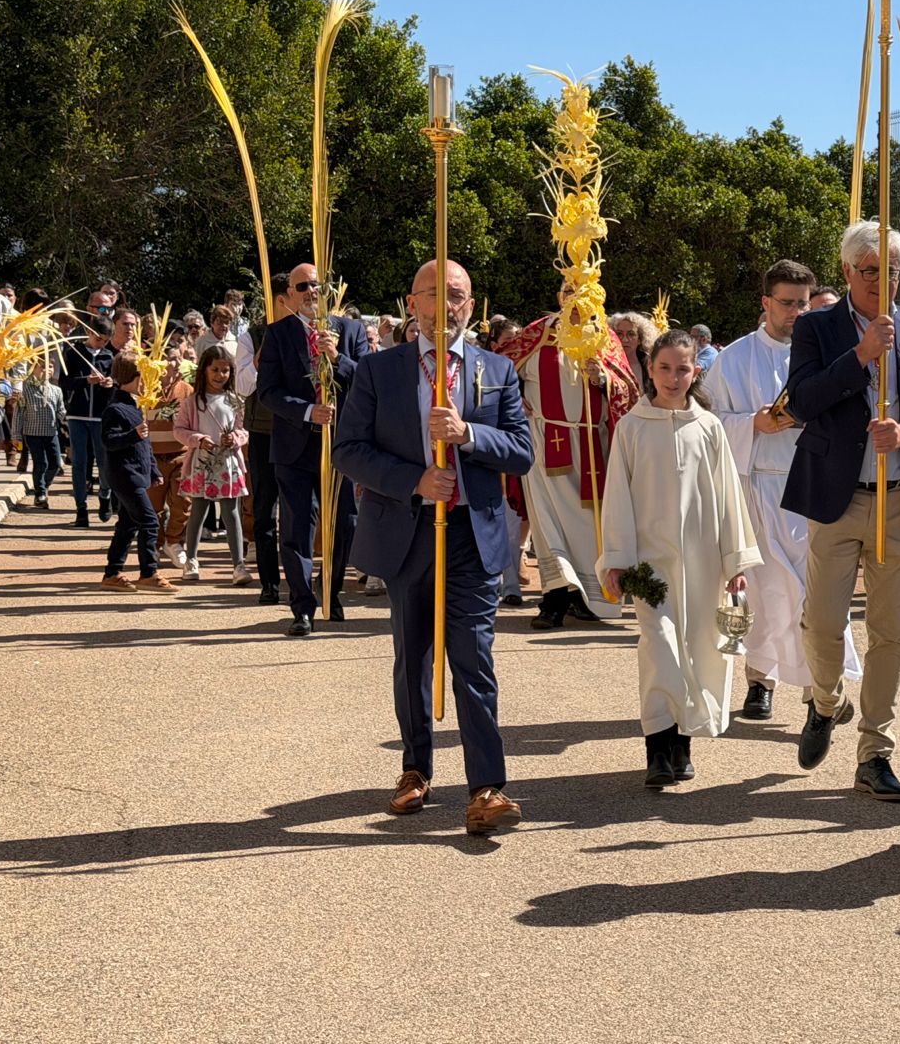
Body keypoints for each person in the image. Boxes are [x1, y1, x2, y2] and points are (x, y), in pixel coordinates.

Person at [334, 259, 535, 836]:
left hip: (472, 534)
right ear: (411, 303)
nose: (447, 306)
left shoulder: (496, 369)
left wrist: (469, 436)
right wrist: (414, 479)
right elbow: (348, 449)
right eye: (435, 294)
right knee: (413, 655)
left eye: (458, 296)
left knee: (473, 656)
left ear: (471, 306)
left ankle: (487, 787)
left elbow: (521, 451)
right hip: (408, 530)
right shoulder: (378, 371)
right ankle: (416, 768)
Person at [782, 220, 900, 801]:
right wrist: (859, 354)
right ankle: (827, 702)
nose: (883, 280)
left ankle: (875, 752)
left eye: (894, 271)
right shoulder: (815, 328)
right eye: (872, 270)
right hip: (835, 499)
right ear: (849, 271)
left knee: (890, 633)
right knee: (823, 625)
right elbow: (801, 402)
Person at [599, 329, 762, 787]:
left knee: (698, 650)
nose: (673, 378)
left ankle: (682, 745)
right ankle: (657, 746)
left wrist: (735, 562)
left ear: (696, 371)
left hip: (702, 559)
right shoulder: (631, 428)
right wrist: (619, 558)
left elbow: (729, 497)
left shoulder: (707, 428)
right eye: (664, 368)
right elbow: (618, 498)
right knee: (660, 649)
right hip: (651, 565)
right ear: (649, 370)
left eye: (683, 369)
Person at [702, 259, 860, 719]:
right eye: (786, 303)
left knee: (815, 593)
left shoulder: (826, 354)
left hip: (813, 487)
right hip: (758, 487)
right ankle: (760, 681)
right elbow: (709, 423)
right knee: (767, 593)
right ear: (766, 303)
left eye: (803, 304)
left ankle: (818, 689)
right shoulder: (733, 358)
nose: (795, 313)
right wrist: (753, 422)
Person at [503, 285, 641, 629]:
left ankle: (586, 596)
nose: (575, 299)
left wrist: (604, 379)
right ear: (559, 295)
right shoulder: (537, 332)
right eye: (568, 290)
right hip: (542, 441)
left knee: (587, 525)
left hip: (591, 444)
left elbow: (628, 389)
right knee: (547, 523)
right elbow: (502, 372)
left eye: (583, 291)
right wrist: (514, 403)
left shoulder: (605, 337)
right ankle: (553, 597)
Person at [257, 262, 369, 636]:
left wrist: (337, 358)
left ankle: (331, 592)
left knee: (344, 523)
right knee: (296, 527)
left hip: (341, 446)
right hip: (294, 446)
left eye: (315, 285)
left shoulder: (350, 331)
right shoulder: (277, 334)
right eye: (301, 286)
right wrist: (306, 411)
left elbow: (368, 383)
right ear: (289, 295)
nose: (309, 292)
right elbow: (268, 392)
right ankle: (302, 606)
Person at [98, 354, 179, 595]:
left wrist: (153, 469)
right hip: (124, 474)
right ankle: (148, 572)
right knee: (150, 521)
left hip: (135, 473)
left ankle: (112, 572)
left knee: (128, 524)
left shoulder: (133, 405)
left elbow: (145, 445)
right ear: (131, 378)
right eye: (143, 377)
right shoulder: (115, 409)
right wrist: (133, 434)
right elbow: (109, 441)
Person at [174, 345, 250, 584]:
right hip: (201, 462)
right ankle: (192, 560)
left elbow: (243, 429)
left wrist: (235, 439)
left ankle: (238, 565)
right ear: (205, 370)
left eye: (225, 371)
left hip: (228, 462)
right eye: (215, 370)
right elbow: (179, 430)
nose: (220, 375)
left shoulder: (235, 400)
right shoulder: (192, 401)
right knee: (198, 510)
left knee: (232, 513)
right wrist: (198, 439)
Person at [237, 275, 289, 605]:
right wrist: (260, 358)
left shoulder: (311, 332)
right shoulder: (251, 337)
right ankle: (269, 582)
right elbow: (243, 386)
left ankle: (303, 580)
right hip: (263, 432)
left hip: (301, 430)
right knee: (264, 510)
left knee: (303, 510)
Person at [58, 314, 117, 527]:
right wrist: (86, 381)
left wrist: (110, 383)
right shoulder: (73, 353)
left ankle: (105, 495)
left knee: (104, 461)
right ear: (90, 332)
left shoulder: (109, 357)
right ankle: (81, 508)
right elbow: (64, 382)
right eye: (99, 338)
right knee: (79, 463)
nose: (102, 343)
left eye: (105, 340)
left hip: (101, 416)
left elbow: (116, 386)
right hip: (77, 414)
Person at [145, 339, 195, 568]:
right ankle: (154, 544)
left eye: (177, 358)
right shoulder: (145, 387)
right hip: (152, 457)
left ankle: (175, 542)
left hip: (181, 455)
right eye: (169, 358)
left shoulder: (187, 390)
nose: (175, 363)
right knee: (153, 507)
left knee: (183, 503)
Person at [18, 357, 65, 508]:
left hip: (51, 433)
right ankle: (40, 494)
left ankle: (43, 486)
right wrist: (15, 436)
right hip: (32, 433)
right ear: (33, 368)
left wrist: (68, 420)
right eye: (43, 366)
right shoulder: (25, 389)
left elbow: (61, 411)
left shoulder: (56, 390)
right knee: (40, 463)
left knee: (55, 464)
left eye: (50, 366)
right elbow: (19, 413)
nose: (47, 370)